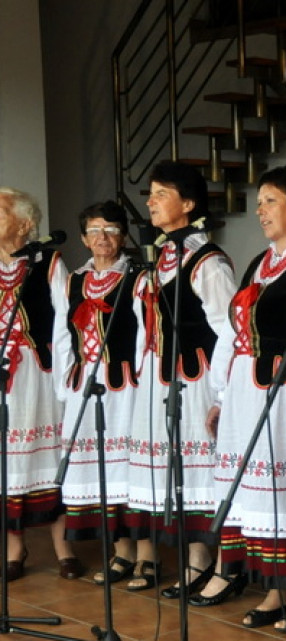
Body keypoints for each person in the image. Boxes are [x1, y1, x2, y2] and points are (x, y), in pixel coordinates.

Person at [194, 164, 286, 630]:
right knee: (262, 497)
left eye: (271, 201)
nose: (260, 211)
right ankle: (276, 588)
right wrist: (219, 393)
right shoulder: (259, 263)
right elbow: (234, 333)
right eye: (259, 203)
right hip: (247, 392)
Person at [124, 161, 235, 594]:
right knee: (180, 467)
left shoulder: (207, 261)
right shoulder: (159, 260)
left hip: (198, 376)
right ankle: (195, 559)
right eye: (150, 193)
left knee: (205, 467)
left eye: (160, 194)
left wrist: (223, 390)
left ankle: (223, 563)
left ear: (188, 204)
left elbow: (229, 329)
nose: (150, 201)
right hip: (162, 378)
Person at [56, 201, 140, 585]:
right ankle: (121, 551)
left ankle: (146, 554)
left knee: (128, 468)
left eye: (110, 229)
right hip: (84, 386)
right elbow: (62, 337)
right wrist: (65, 386)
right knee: (102, 471)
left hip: (125, 384)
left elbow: (146, 335)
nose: (101, 237)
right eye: (93, 230)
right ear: (83, 238)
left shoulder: (137, 276)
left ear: (123, 234)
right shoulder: (73, 280)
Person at [0, 187, 82, 581]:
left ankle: (62, 546)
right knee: (7, 460)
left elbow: (67, 321)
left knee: (50, 456)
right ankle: (15, 548)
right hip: (3, 376)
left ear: (25, 223)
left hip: (38, 371)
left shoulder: (47, 261)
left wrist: (66, 373)